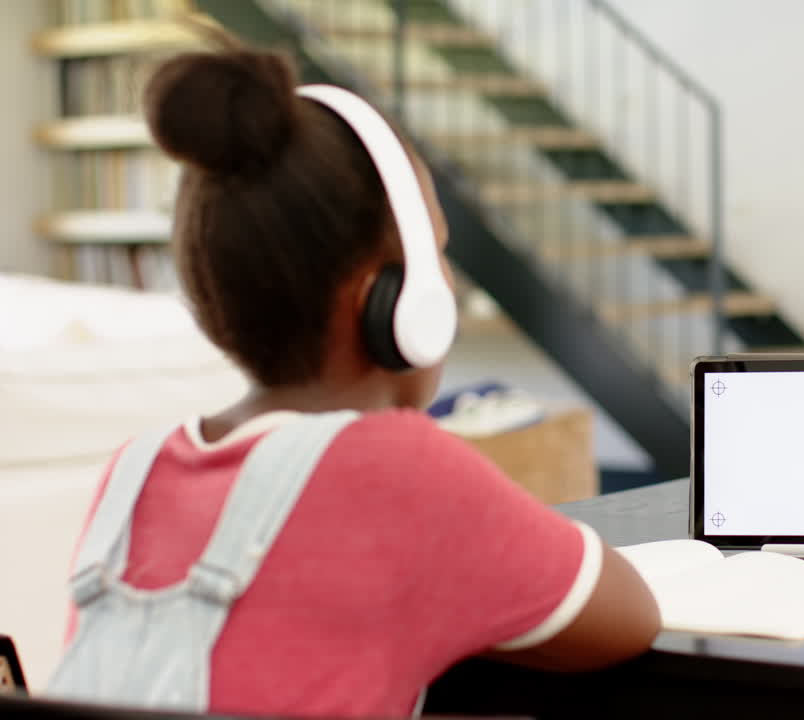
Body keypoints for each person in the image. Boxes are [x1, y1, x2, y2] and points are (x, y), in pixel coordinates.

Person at [49, 34, 659, 719]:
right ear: (394, 298)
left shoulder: (133, 471)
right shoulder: (402, 470)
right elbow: (628, 617)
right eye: (439, 254)